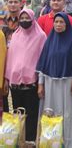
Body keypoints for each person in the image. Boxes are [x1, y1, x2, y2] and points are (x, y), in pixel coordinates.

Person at [36, 12, 72, 148]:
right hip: (49, 82)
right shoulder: (49, 40)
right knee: (50, 110)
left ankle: (67, 141)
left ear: (67, 24)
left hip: (67, 82)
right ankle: (51, 140)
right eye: (56, 22)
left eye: (61, 22)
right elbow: (43, 64)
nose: (58, 25)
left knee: (67, 112)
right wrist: (40, 85)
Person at [5, 9, 46, 142]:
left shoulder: (40, 36)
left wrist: (41, 82)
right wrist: (7, 78)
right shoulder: (16, 35)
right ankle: (20, 139)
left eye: (26, 18)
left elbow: (43, 59)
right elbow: (11, 58)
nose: (23, 20)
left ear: (33, 18)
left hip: (32, 83)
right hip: (16, 83)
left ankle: (31, 140)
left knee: (32, 113)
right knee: (18, 112)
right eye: (21, 18)